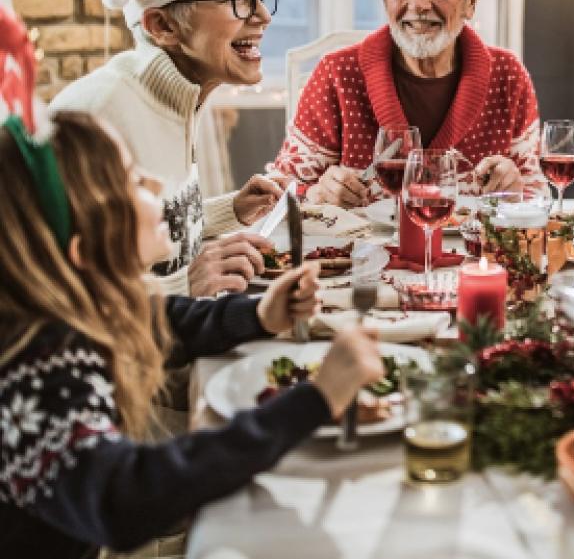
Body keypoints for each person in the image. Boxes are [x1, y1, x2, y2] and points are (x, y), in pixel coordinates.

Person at [0, 110, 384, 557]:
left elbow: (162, 320)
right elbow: (122, 499)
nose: (156, 186)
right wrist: (313, 400)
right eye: (132, 180)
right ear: (83, 251)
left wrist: (258, 315)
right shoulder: (33, 369)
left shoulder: (74, 310)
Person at [51, 0, 284, 298]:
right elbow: (54, 290)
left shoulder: (178, 94)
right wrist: (183, 285)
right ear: (163, 26)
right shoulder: (95, 118)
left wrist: (232, 211)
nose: (263, 15)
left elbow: (147, 237)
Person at [271, 0, 544, 206]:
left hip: (471, 253)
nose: (419, 4)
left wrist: (516, 190)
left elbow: (537, 191)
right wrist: (313, 193)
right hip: (360, 251)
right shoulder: (337, 73)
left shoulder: (507, 75)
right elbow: (278, 191)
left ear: (470, 0)